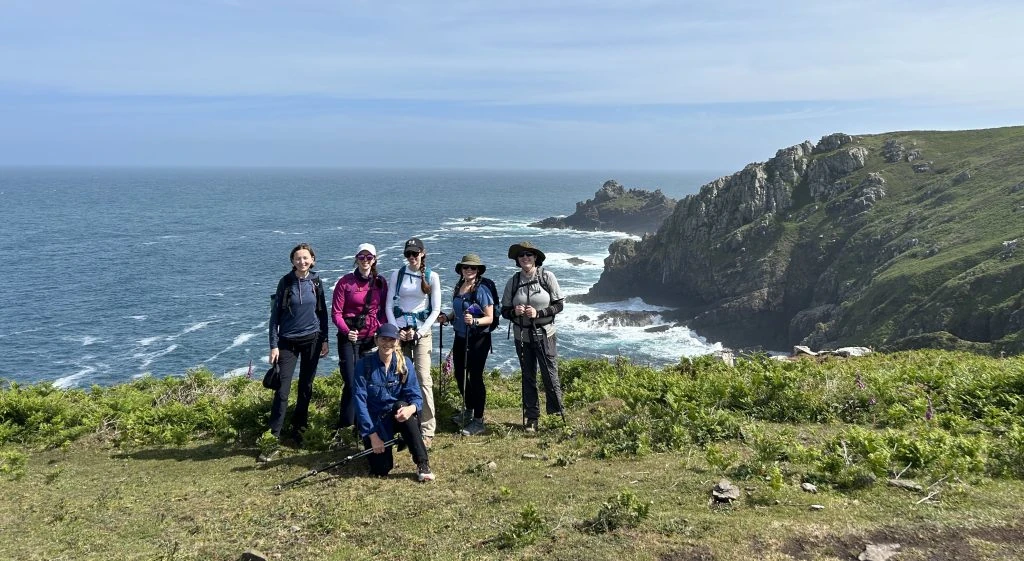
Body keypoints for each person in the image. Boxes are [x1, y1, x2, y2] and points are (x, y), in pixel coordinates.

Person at [266, 243, 329, 455]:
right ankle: (272, 437)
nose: (302, 261)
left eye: (305, 258)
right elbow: (274, 317)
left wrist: (325, 340)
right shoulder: (285, 283)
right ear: (292, 261)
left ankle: (299, 431)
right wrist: (273, 345)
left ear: (312, 260)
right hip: (287, 342)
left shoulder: (316, 282)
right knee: (282, 391)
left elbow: (322, 313)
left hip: (312, 340)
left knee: (305, 388)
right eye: (297, 258)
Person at [352, 323, 435, 482]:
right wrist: (373, 436)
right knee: (381, 470)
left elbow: (416, 397)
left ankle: (423, 464)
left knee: (402, 406)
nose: (387, 344)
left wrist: (411, 409)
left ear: (397, 342)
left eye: (391, 340)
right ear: (376, 340)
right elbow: (360, 403)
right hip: (375, 423)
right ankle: (378, 445)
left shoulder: (405, 364)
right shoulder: (364, 365)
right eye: (383, 339)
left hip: (397, 417)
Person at [501, 241, 566, 433]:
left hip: (545, 335)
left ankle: (555, 416)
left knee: (550, 376)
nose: (525, 258)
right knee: (527, 377)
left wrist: (539, 313)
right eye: (521, 256)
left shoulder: (547, 277)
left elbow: (559, 305)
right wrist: (515, 311)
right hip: (522, 337)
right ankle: (532, 418)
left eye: (529, 255)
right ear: (517, 260)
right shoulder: (513, 281)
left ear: (535, 257)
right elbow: (504, 311)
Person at [385, 237, 442, 447]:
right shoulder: (397, 275)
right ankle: (403, 424)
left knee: (423, 377)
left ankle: (427, 428)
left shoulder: (432, 276)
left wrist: (419, 333)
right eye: (408, 254)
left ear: (423, 253)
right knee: (399, 376)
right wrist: (395, 330)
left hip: (421, 333)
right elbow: (388, 305)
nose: (412, 258)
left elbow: (435, 309)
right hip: (399, 331)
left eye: (415, 254)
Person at [331, 243, 388, 430]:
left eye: (369, 257)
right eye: (361, 257)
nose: (365, 260)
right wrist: (348, 332)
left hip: (370, 339)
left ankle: (364, 423)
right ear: (356, 259)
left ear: (374, 259)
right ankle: (346, 425)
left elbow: (384, 311)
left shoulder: (380, 282)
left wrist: (379, 329)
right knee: (351, 381)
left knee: (369, 381)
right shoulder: (345, 282)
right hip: (349, 338)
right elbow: (336, 313)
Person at [437, 254, 494, 436]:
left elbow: (489, 317)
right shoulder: (459, 287)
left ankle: (478, 420)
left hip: (478, 339)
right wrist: (447, 317)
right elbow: (458, 311)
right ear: (461, 270)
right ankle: (468, 410)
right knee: (459, 374)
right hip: (461, 336)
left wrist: (475, 322)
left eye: (473, 268)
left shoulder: (482, 290)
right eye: (466, 267)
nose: (469, 270)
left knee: (475, 377)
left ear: (478, 271)